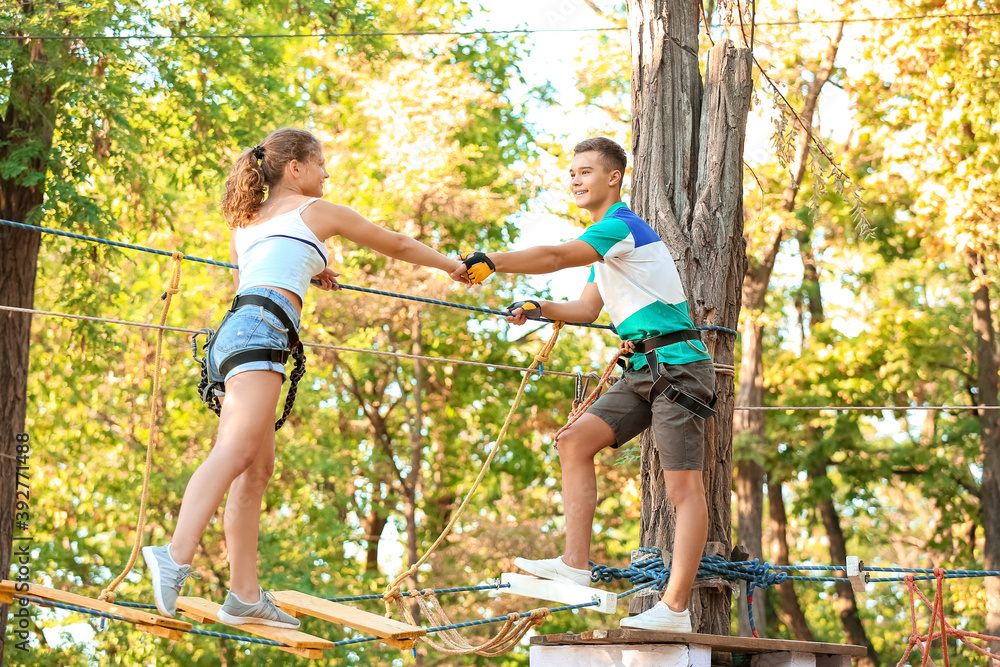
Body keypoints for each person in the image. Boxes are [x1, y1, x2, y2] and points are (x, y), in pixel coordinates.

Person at [143, 127, 469, 628]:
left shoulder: (248, 222)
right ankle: (175, 553)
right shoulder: (317, 211)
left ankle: (244, 595)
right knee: (233, 452)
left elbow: (251, 280)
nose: (327, 173)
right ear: (295, 167)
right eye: (320, 164)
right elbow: (397, 244)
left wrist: (313, 265)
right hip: (262, 331)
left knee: (255, 467)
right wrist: (451, 266)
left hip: (236, 330)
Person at [451, 137, 716, 633]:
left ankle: (676, 609)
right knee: (574, 441)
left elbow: (554, 256)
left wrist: (492, 260)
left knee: (683, 487)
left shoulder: (622, 226)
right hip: (642, 369)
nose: (576, 179)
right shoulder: (604, 244)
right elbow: (587, 310)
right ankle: (575, 565)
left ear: (613, 178)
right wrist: (539, 308)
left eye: (586, 172)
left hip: (678, 367)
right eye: (572, 172)